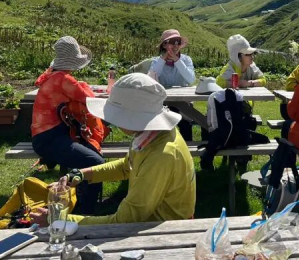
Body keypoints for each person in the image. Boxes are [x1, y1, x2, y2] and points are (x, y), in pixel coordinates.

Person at [32, 73, 196, 226]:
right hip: (151, 222)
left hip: (165, 230)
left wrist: (59, 220)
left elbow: (125, 220)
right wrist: (81, 174)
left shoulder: (161, 156)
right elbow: (126, 166)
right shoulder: (153, 135)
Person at [30, 36, 106, 214]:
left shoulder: (52, 76)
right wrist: (84, 86)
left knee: (88, 154)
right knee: (95, 161)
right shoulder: (64, 79)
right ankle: (85, 209)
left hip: (47, 135)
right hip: (50, 138)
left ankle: (80, 199)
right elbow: (89, 100)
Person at [148, 29, 196, 140]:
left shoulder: (186, 60)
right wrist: (162, 60)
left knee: (185, 123)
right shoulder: (156, 61)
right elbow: (150, 79)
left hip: (184, 100)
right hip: (163, 101)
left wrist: (177, 61)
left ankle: (187, 146)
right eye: (172, 42)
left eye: (178, 42)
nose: (175, 46)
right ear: (164, 45)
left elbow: (190, 79)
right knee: (163, 126)